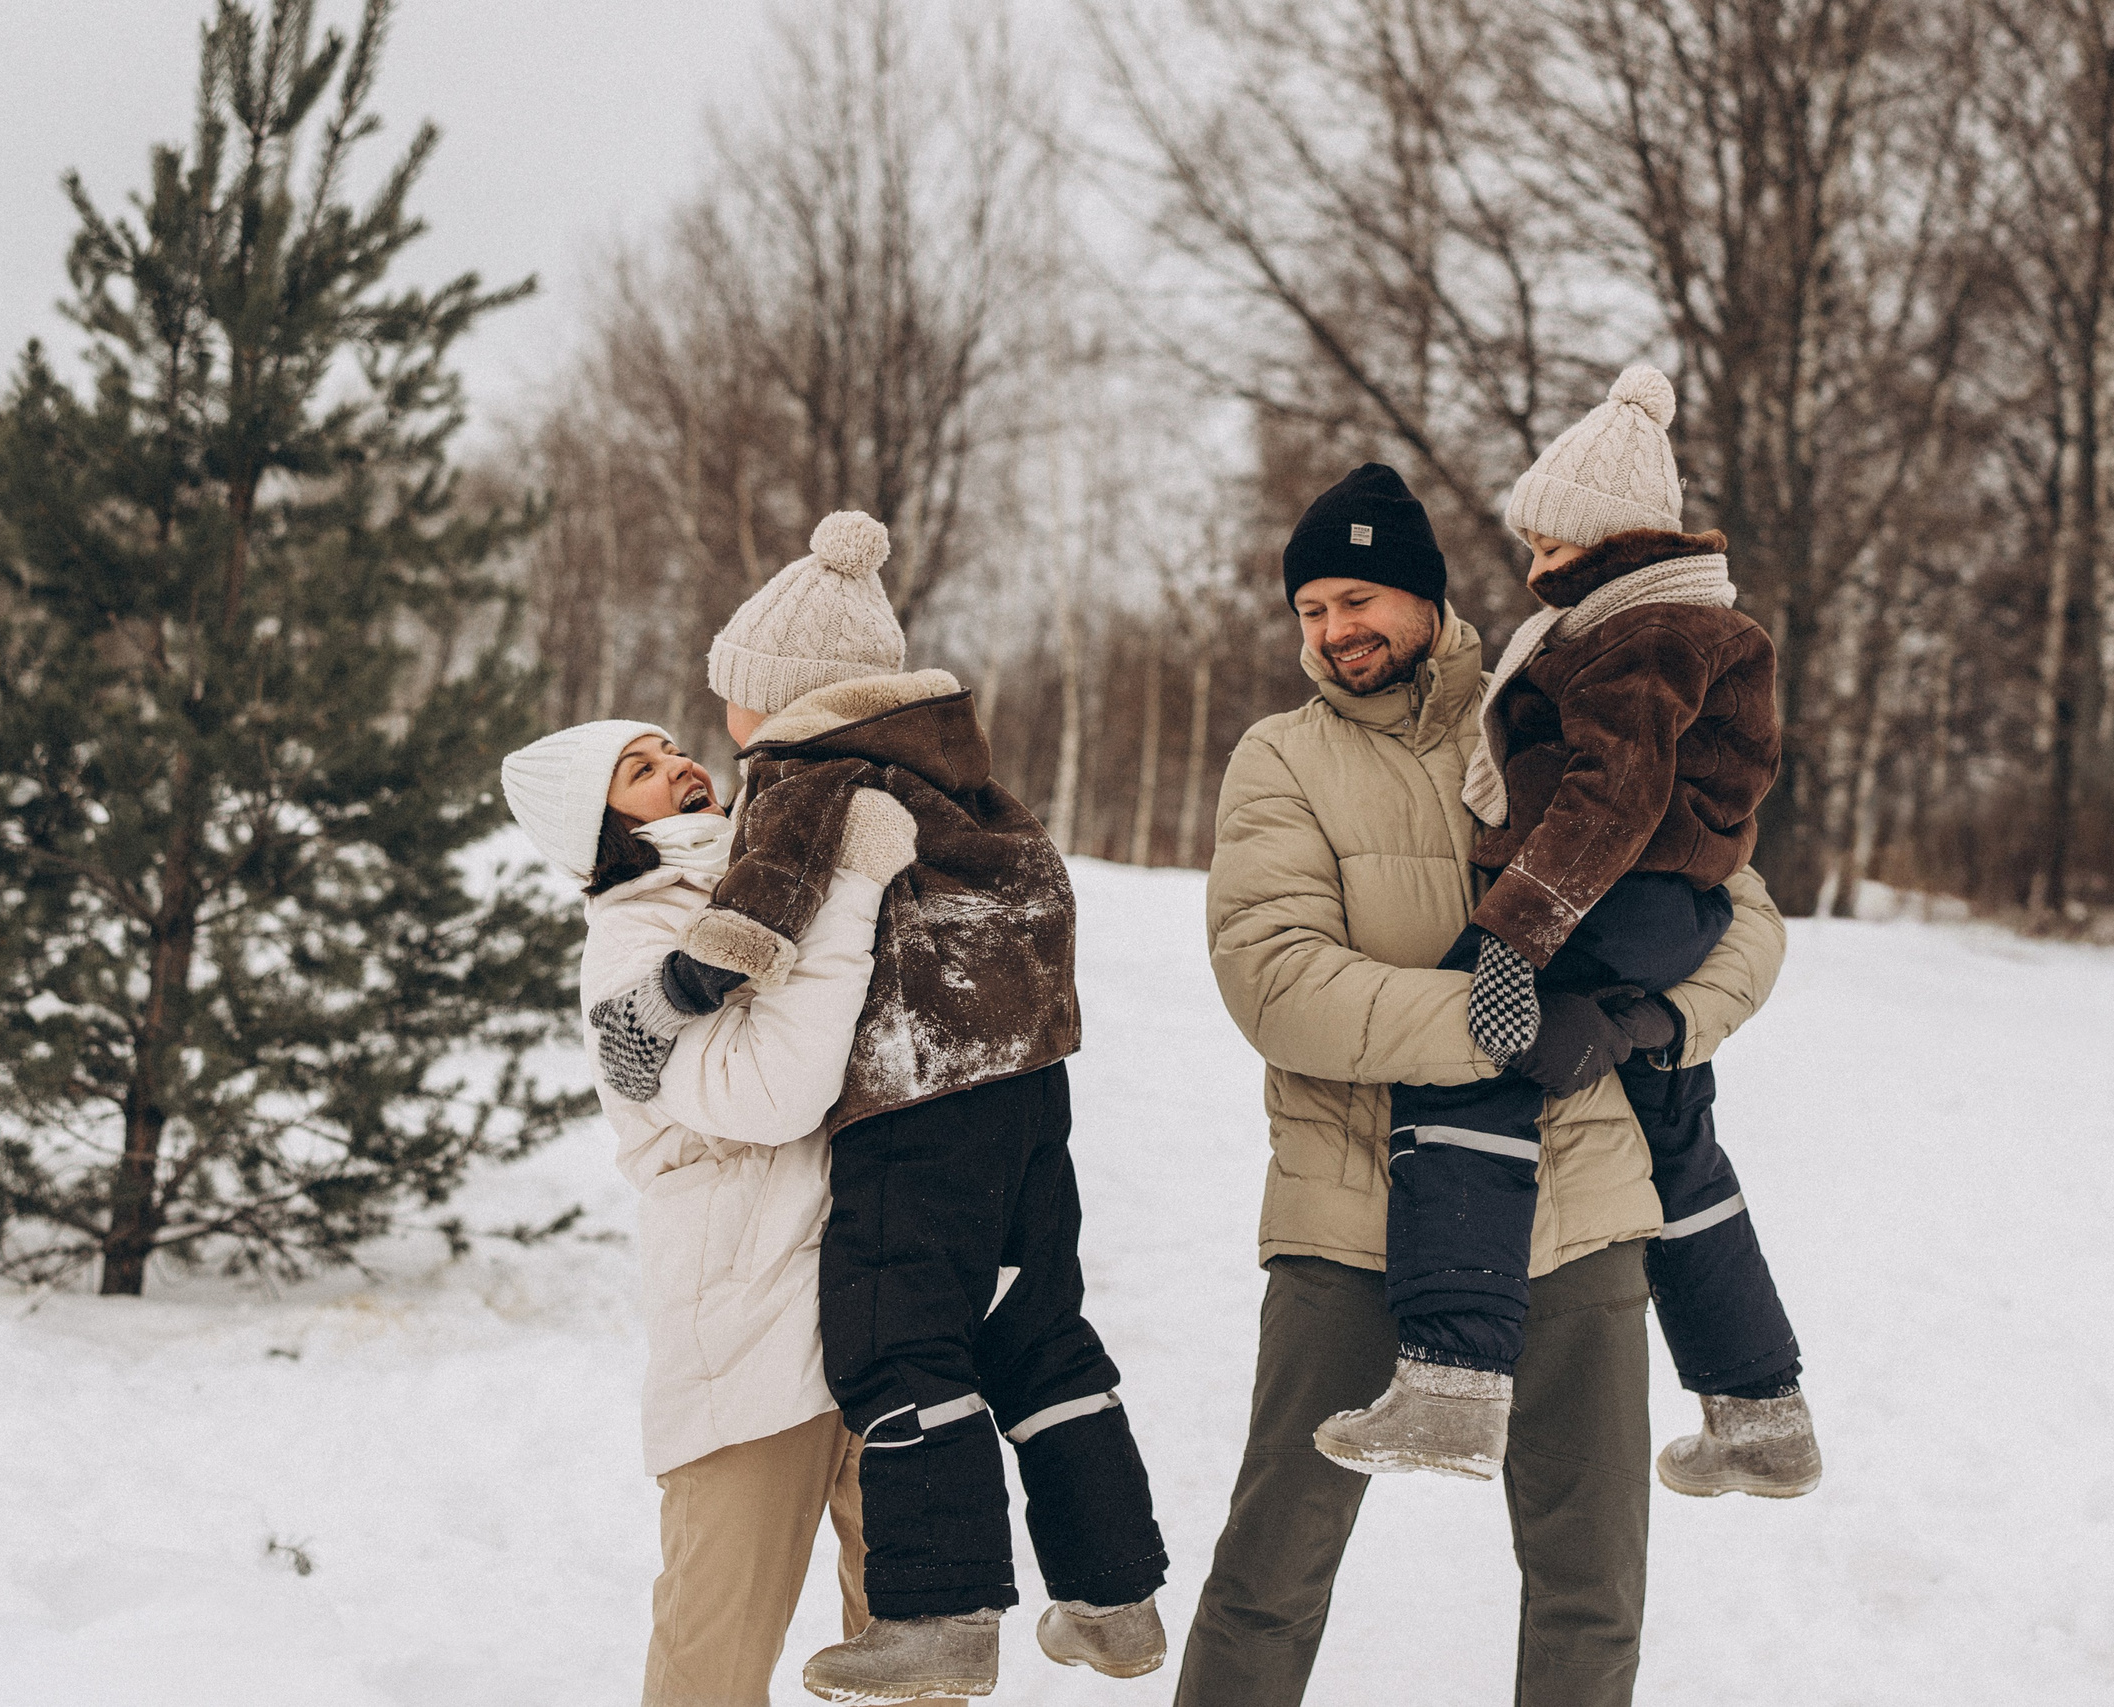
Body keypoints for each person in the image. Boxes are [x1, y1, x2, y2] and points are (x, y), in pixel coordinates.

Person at [1179, 459, 1787, 1706]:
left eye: (1361, 598)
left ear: (1426, 597)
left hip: (1584, 1212)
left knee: (1590, 1588)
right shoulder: (1281, 760)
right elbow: (1277, 985)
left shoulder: (1555, 700)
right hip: (1352, 1214)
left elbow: (1746, 918)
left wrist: (1640, 1024)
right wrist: (1502, 1020)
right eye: (1311, 609)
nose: (1336, 629)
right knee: (1271, 1572)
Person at [667, 512, 1169, 1704]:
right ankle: (1116, 1598)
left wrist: (698, 974)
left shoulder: (812, 769)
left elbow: (769, 890)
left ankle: (939, 1613)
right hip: (1028, 1097)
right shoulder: (970, 785)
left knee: (897, 1338)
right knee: (1038, 1334)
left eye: (736, 697)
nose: (729, 723)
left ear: (785, 697)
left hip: (915, 1094)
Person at [1316, 364, 1820, 1498]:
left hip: (1601, 899)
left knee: (1463, 1070)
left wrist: (1513, 938)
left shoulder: (1639, 633)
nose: (1533, 565)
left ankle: (1450, 1383)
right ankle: (1760, 1411)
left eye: (1547, 543)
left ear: (1604, 540)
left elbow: (1615, 792)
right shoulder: (1684, 622)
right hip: (1662, 912)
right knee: (1674, 1142)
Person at [499, 715, 937, 1707]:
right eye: (638, 773)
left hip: (891, 1307)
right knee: (714, 1660)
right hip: (753, 1339)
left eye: (670, 750)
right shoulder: (630, 949)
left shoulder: (772, 875)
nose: (678, 768)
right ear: (599, 831)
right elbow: (770, 1095)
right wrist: (850, 892)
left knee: (916, 1652)